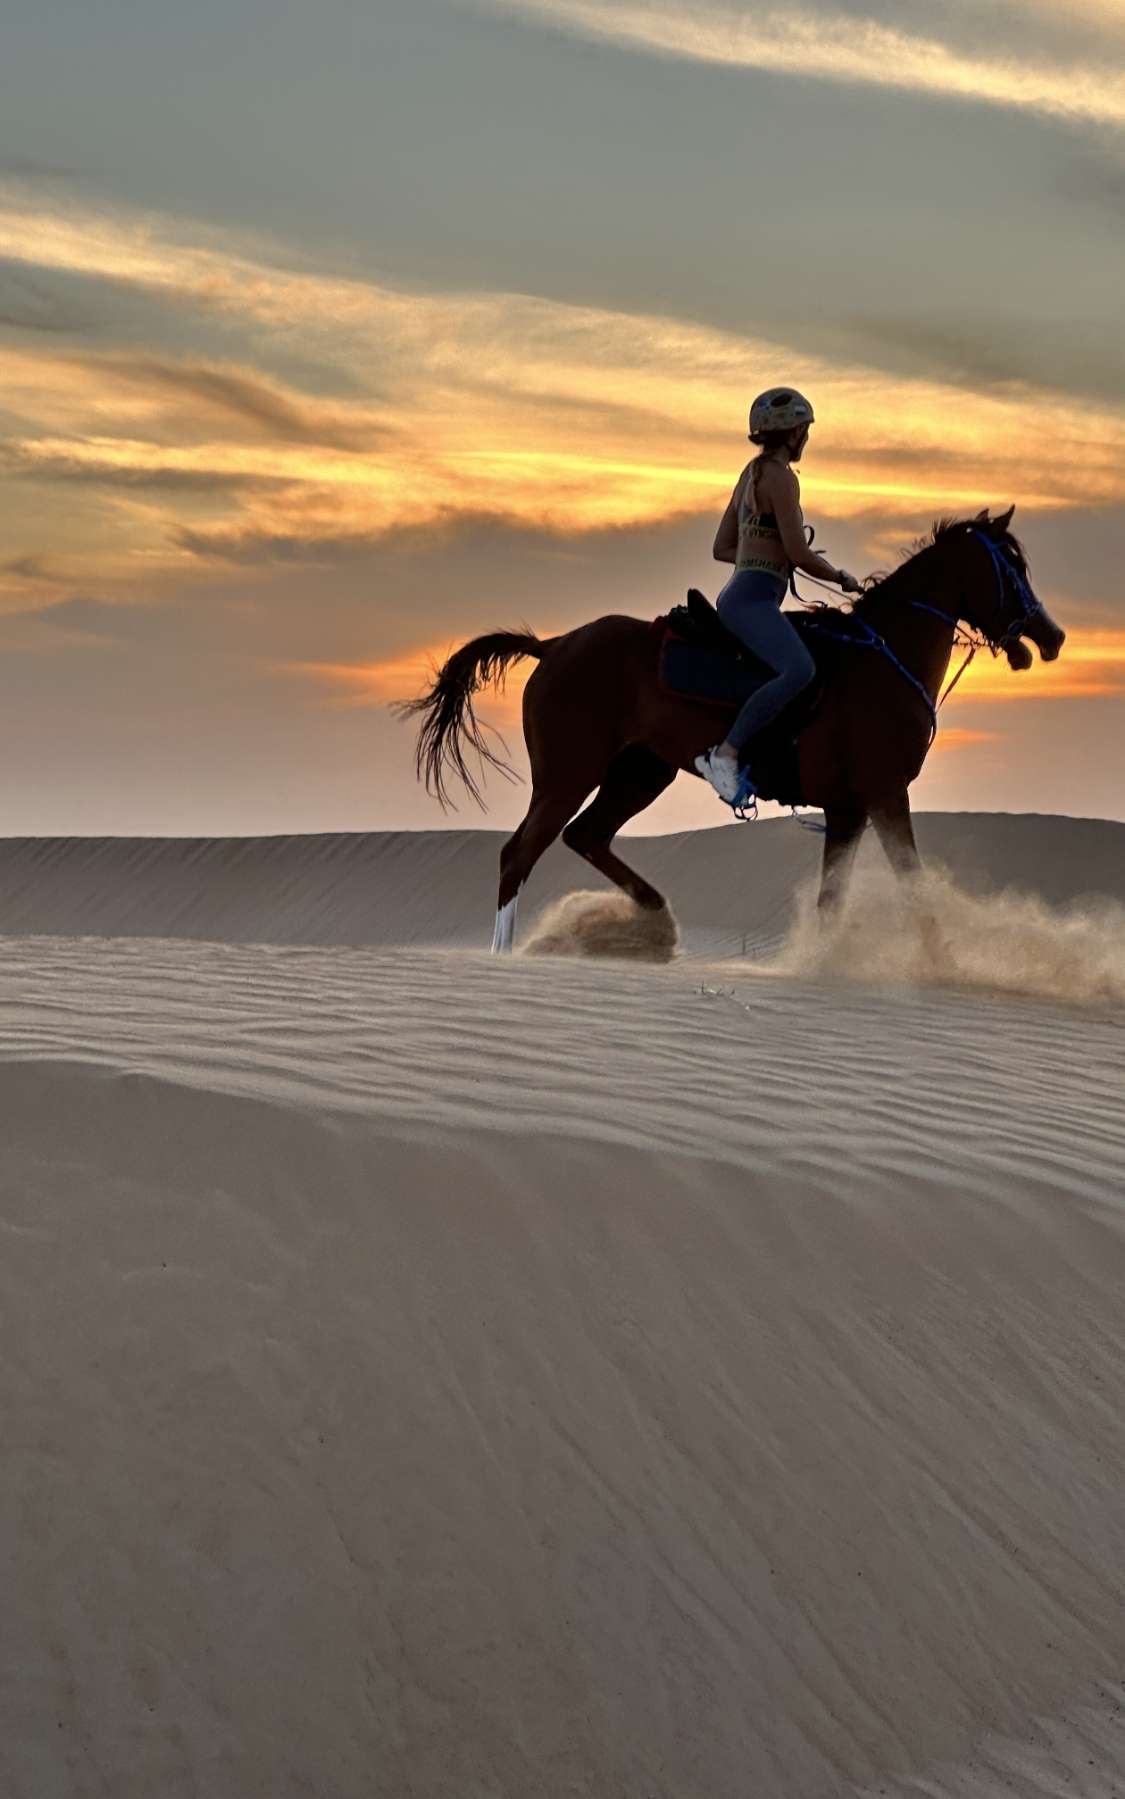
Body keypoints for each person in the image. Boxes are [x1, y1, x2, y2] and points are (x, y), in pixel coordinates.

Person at [694, 388, 862, 806]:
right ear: (791, 433)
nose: (806, 437)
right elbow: (799, 553)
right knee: (799, 670)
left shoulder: (750, 474)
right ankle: (725, 755)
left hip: (743, 595)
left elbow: (722, 547)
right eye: (804, 429)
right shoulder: (782, 479)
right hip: (753, 601)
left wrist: (764, 559)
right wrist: (841, 577)